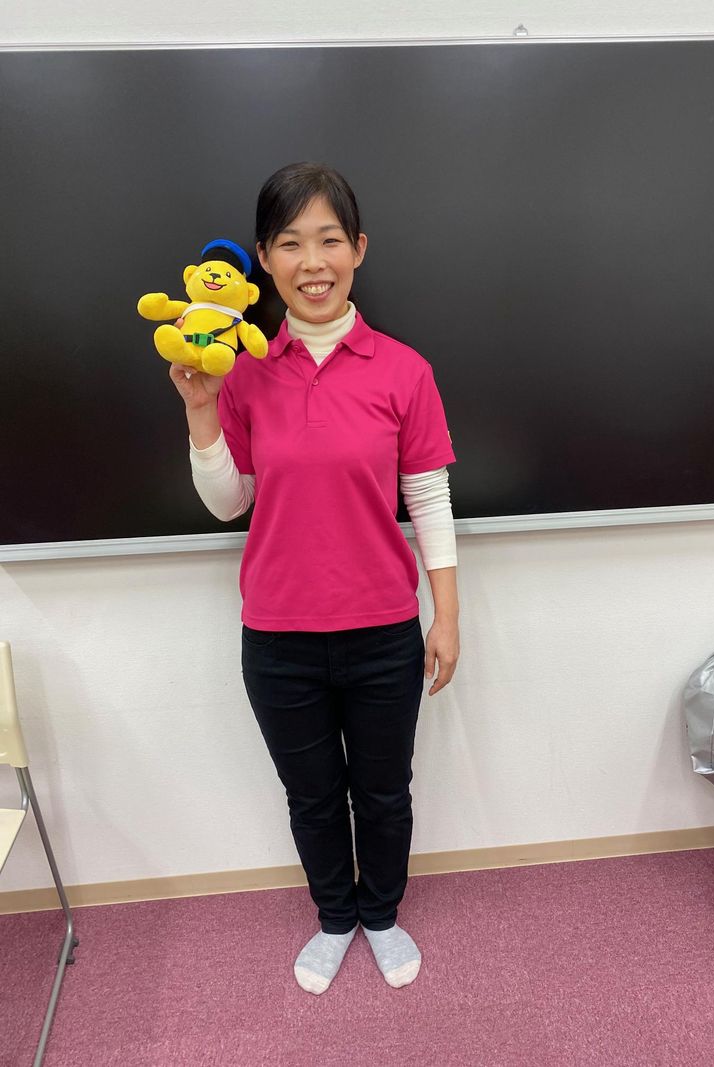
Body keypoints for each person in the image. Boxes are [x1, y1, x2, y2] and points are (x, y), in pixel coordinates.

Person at [168, 162, 459, 995]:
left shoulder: (404, 370)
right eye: (291, 243)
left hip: (382, 633)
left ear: (358, 249)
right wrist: (199, 408)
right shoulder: (243, 370)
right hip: (279, 638)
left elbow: (428, 498)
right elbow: (229, 502)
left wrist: (445, 616)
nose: (313, 261)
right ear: (263, 259)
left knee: (385, 792)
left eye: (329, 239)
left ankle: (382, 913)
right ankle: (336, 917)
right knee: (313, 797)